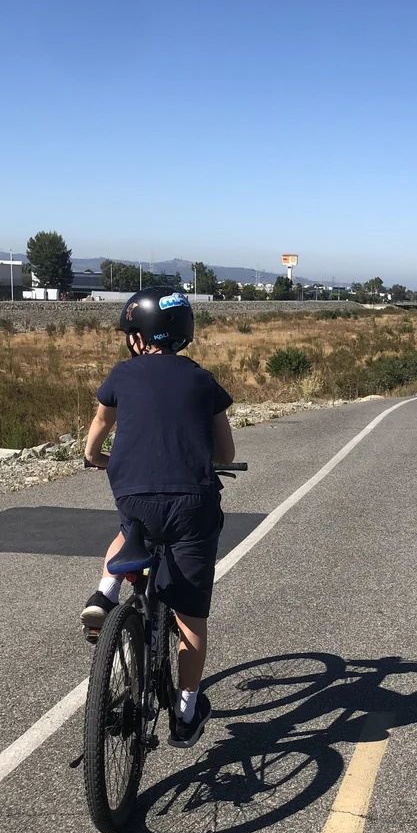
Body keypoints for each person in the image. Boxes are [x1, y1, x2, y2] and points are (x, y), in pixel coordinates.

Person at [81, 288, 235, 749]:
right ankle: (185, 714)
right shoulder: (203, 380)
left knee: (130, 530)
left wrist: (95, 458)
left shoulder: (121, 375)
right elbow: (226, 453)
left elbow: (98, 432)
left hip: (135, 496)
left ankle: (105, 594)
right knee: (190, 621)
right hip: (191, 505)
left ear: (137, 337)